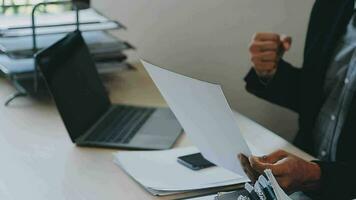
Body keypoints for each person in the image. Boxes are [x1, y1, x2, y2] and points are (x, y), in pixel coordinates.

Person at [239, 0, 356, 199]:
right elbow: (321, 98)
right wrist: (271, 73)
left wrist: (314, 174)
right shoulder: (332, 6)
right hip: (300, 180)